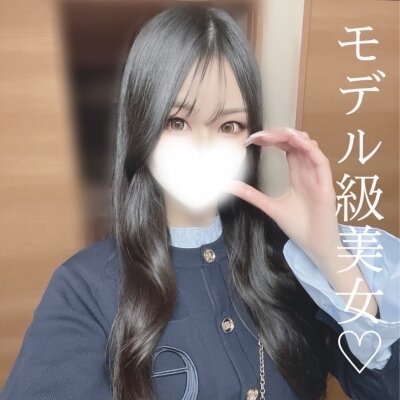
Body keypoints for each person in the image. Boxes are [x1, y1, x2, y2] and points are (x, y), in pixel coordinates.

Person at [1, 4, 399, 400]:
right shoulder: (83, 288)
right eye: (177, 122)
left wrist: (329, 254)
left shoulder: (288, 260)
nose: (204, 147)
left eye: (228, 125)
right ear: (142, 127)